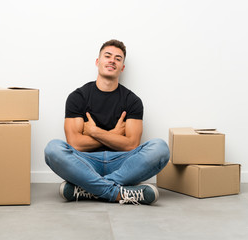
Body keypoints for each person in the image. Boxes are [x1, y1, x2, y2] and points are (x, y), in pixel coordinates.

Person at [44, 39, 170, 205]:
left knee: (160, 148)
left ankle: (88, 189)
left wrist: (95, 131)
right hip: (86, 162)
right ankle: (115, 192)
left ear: (122, 67)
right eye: (108, 56)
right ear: (98, 62)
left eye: (118, 59)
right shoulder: (78, 97)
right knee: (53, 149)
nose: (112, 60)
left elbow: (131, 145)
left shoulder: (132, 101)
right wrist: (114, 135)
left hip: (123, 163)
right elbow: (75, 143)